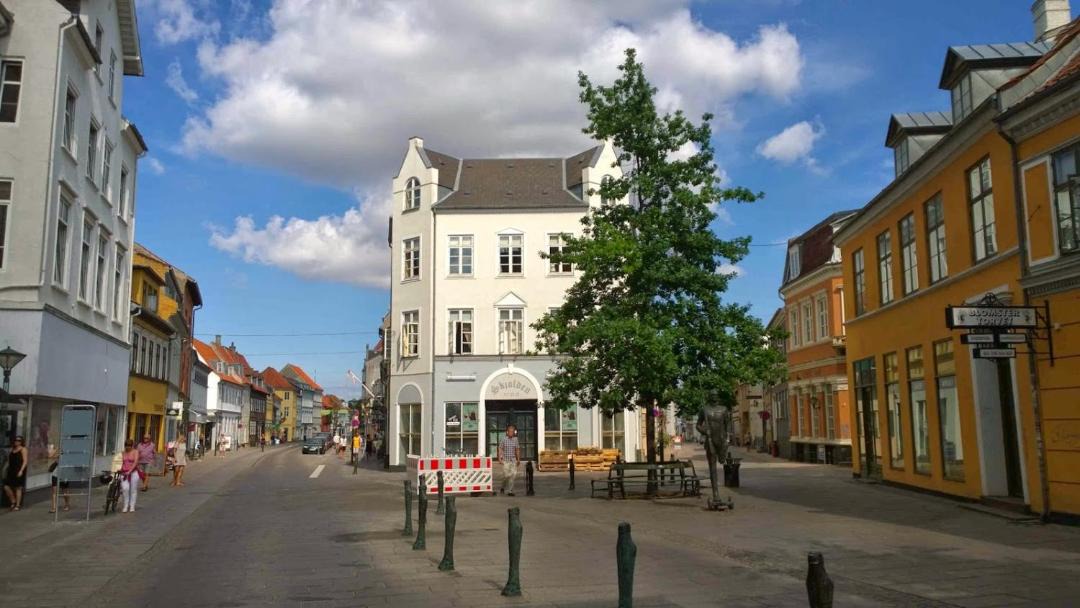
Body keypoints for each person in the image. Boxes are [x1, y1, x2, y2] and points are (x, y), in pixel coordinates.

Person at [3, 436, 27, 511]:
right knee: (6, 487)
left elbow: (25, 461)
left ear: (21, 442)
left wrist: (21, 470)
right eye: (16, 440)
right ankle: (13, 501)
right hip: (11, 470)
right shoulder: (12, 449)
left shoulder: (23, 449)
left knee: (18, 487)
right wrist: (4, 469)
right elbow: (9, 461)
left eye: (19, 441)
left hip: (19, 470)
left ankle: (17, 505)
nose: (17, 442)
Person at [497, 424, 521, 497]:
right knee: (506, 476)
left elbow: (517, 449)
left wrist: (518, 459)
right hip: (506, 460)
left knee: (512, 475)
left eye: (512, 431)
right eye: (510, 431)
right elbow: (500, 448)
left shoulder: (515, 440)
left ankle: (510, 491)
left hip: (513, 460)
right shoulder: (504, 439)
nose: (511, 433)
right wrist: (499, 458)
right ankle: (502, 487)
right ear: (507, 432)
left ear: (514, 432)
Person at [120, 439, 143, 513]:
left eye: (129, 446)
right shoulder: (123, 452)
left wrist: (130, 471)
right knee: (125, 489)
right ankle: (125, 505)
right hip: (124, 473)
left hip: (133, 473)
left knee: (133, 490)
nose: (127, 447)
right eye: (126, 446)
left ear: (132, 446)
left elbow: (135, 462)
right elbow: (120, 462)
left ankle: (132, 506)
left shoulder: (135, 452)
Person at [49, 447, 71, 513]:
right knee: (54, 491)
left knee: (65, 492)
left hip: (64, 475)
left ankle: (67, 504)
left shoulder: (69, 456)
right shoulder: (59, 455)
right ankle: (53, 508)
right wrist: (57, 449)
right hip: (55, 475)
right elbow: (50, 456)